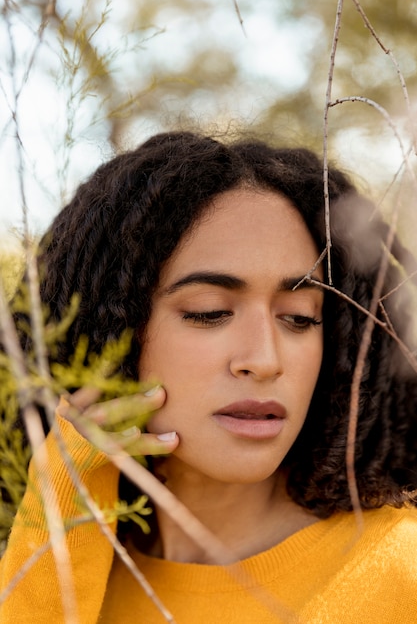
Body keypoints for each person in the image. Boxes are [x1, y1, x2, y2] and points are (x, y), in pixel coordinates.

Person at [1, 130, 417, 623]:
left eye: (300, 317)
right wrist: (65, 500)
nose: (264, 360)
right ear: (110, 332)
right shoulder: (45, 556)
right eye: (209, 312)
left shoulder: (400, 569)